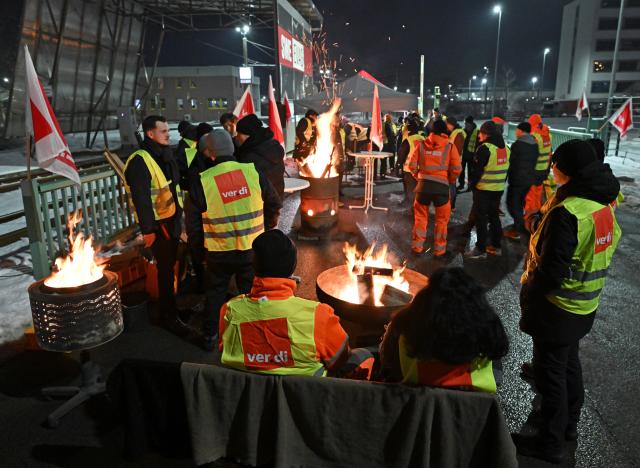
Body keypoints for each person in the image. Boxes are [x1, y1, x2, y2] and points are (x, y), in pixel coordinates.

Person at [513, 140, 621, 464]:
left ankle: (549, 442)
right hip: (584, 307)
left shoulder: (569, 211)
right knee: (569, 366)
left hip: (557, 307)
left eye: (556, 164)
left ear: (569, 170)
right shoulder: (600, 204)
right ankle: (569, 426)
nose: (552, 168)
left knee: (551, 377)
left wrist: (529, 294)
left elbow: (551, 272)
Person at [219, 229, 374, 378]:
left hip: (252, 398)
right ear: (292, 268)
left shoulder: (229, 311)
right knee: (365, 355)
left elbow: (225, 351)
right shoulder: (318, 316)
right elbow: (340, 361)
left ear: (254, 266)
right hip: (308, 398)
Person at [186, 130, 282, 351]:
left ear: (210, 154)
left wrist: (199, 255)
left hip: (218, 253)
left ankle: (210, 338)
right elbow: (274, 203)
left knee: (215, 294)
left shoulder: (203, 182)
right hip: (252, 249)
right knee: (252, 294)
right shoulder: (252, 172)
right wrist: (264, 231)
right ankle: (256, 338)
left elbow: (193, 227)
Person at [379, 267, 509, 391]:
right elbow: (497, 355)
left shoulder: (405, 329)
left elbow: (388, 363)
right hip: (473, 403)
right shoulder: (488, 330)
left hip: (417, 398)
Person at [124, 115, 183, 331]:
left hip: (171, 219)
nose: (168, 134)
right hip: (159, 226)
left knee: (169, 266)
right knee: (165, 269)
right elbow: (141, 199)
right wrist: (149, 230)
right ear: (150, 133)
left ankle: (171, 308)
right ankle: (167, 315)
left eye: (168, 130)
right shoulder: (140, 160)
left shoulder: (163, 154)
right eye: (163, 131)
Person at [407, 119, 461, 256]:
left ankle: (417, 248)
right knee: (441, 221)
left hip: (423, 187)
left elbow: (411, 166)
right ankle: (439, 250)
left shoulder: (422, 145)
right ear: (445, 131)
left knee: (420, 218)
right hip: (442, 189)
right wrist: (449, 180)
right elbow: (456, 169)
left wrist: (419, 177)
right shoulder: (450, 146)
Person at [465, 121, 510, 259]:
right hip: (498, 189)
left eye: (481, 134)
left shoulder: (485, 148)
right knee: (494, 217)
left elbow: (477, 171)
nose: (479, 137)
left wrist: (472, 185)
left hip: (483, 189)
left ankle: (480, 248)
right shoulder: (506, 149)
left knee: (481, 219)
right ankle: (496, 246)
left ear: (486, 134)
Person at [235, 114, 286, 202]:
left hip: (260, 204)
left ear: (247, 134)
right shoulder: (273, 145)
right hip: (277, 199)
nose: (237, 137)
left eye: (239, 133)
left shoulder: (248, 156)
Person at [504, 122, 538, 239]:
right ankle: (519, 225)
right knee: (519, 203)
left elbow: (511, 162)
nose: (516, 132)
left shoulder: (518, 145)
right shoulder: (534, 144)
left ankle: (518, 230)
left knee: (513, 205)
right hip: (528, 179)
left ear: (521, 131)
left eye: (517, 130)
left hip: (517, 180)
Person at [524, 114, 553, 217]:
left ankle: (529, 218)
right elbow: (550, 153)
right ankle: (537, 215)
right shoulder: (548, 136)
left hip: (533, 171)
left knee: (530, 195)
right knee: (537, 193)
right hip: (543, 170)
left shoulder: (534, 137)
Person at [395, 115, 425, 206]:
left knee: (410, 188)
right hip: (421, 169)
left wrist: (398, 165)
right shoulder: (423, 139)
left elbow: (401, 154)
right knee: (419, 188)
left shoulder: (408, 140)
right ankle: (419, 205)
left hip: (409, 169)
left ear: (409, 130)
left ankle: (412, 207)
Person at [446, 116, 465, 210]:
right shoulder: (454, 133)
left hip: (453, 164)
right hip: (452, 162)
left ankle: (452, 205)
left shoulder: (458, 135)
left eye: (447, 124)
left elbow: (457, 151)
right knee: (451, 184)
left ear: (451, 124)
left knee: (452, 184)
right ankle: (450, 204)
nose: (446, 126)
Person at [458, 116, 478, 191]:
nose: (465, 125)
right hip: (463, 154)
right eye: (464, 124)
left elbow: (478, 144)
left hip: (472, 155)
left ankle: (470, 186)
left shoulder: (477, 132)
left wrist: (476, 155)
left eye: (466, 124)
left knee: (471, 172)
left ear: (471, 124)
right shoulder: (463, 131)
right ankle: (461, 184)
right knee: (461, 170)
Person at [380, 114, 397, 178]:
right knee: (391, 159)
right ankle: (391, 172)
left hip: (384, 144)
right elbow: (391, 135)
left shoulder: (383, 124)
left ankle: (383, 173)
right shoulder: (391, 125)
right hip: (390, 144)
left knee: (384, 160)